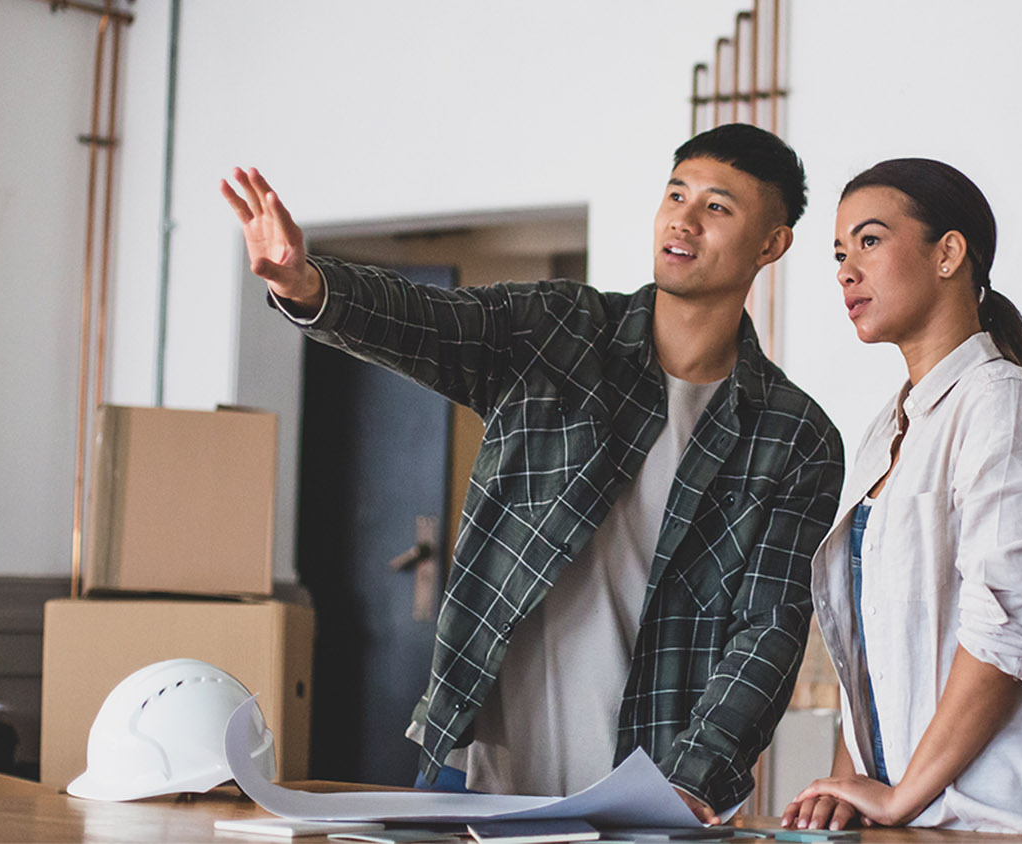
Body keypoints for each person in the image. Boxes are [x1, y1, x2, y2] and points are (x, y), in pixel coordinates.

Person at [219, 123, 845, 820]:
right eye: (676, 194)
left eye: (717, 207)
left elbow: (768, 628)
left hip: (647, 785)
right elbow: (430, 322)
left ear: (772, 243)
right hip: (480, 765)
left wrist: (697, 775)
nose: (683, 220)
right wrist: (309, 286)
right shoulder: (560, 329)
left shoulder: (794, 434)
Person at [780, 159, 1022, 839]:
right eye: (840, 254)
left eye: (870, 242)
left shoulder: (1006, 403)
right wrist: (862, 786)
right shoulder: (890, 426)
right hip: (922, 819)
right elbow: (874, 652)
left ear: (948, 253)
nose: (848, 271)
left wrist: (901, 796)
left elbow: (1007, 628)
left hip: (1008, 819)